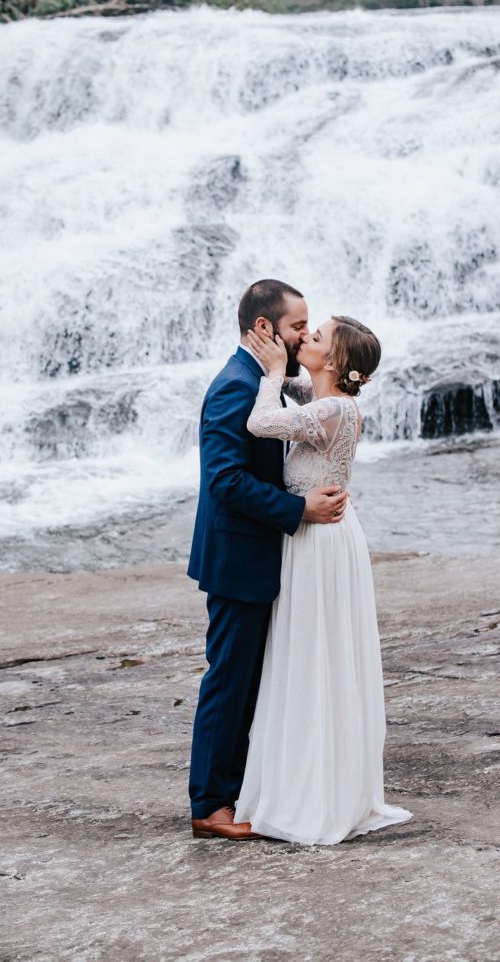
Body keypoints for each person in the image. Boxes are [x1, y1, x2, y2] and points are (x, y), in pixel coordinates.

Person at [234, 316, 413, 843]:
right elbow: (295, 380)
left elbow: (262, 423)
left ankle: (315, 796)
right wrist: (274, 353)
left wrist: (269, 374)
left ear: (334, 362)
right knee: (311, 653)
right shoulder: (322, 394)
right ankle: (315, 781)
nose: (305, 340)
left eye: (315, 337)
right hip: (317, 535)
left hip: (320, 542)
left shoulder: (333, 407)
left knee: (314, 655)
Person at [187, 280, 348, 840]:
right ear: (264, 328)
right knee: (230, 680)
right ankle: (210, 805)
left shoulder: (263, 379)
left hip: (259, 552)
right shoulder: (235, 386)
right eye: (298, 326)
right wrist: (298, 508)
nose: (305, 334)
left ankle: (242, 792)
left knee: (253, 680)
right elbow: (225, 481)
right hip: (238, 557)